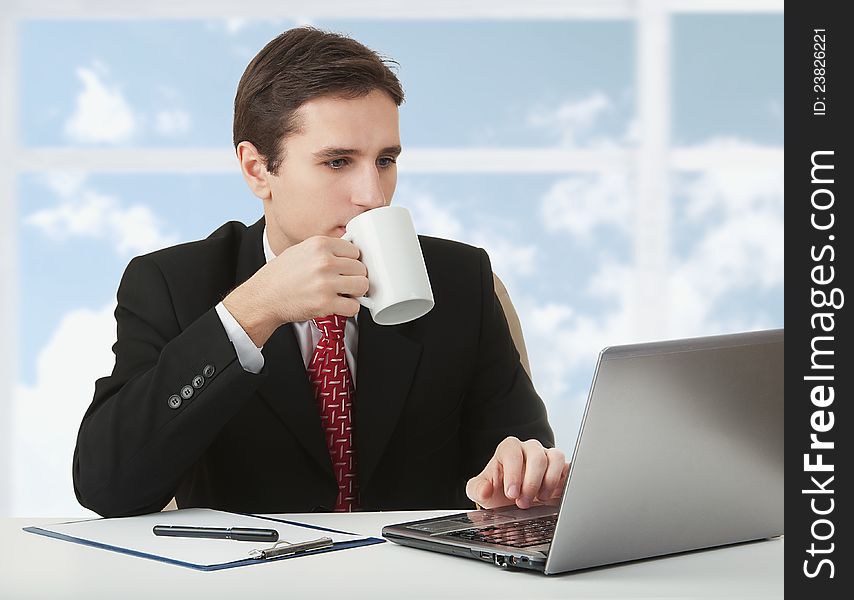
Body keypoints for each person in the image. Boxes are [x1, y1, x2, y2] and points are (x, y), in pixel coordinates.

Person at [73, 27, 566, 518]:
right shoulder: (172, 284)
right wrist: (250, 313)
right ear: (257, 169)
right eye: (337, 162)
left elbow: (522, 454)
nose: (372, 195)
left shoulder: (460, 279)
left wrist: (522, 472)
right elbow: (107, 487)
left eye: (386, 160)